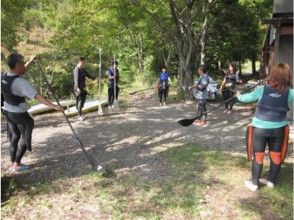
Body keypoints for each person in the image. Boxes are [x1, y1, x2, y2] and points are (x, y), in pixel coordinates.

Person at [1, 53, 64, 173]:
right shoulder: (20, 83)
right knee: (25, 137)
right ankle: (17, 164)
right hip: (19, 113)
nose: (25, 65)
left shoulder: (4, 76)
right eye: (23, 63)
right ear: (18, 65)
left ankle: (12, 164)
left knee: (14, 137)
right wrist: (54, 106)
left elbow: (21, 71)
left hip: (8, 112)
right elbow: (37, 97)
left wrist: (30, 61)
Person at [237, 63, 293, 191]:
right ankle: (270, 181)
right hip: (279, 130)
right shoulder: (290, 93)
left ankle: (255, 183)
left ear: (272, 75)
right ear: (287, 77)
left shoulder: (262, 90)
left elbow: (247, 98)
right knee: (275, 155)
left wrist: (238, 95)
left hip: (260, 128)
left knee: (258, 155)